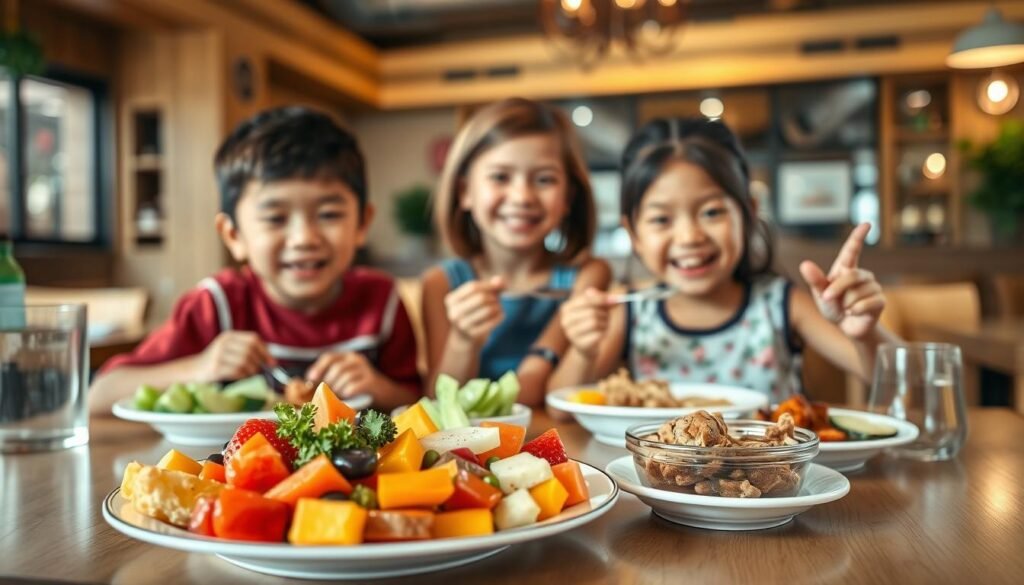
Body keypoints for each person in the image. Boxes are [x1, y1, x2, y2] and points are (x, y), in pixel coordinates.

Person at [89, 106, 420, 414]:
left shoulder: (382, 301)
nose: (304, 238)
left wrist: (377, 388)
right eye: (275, 218)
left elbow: (417, 399)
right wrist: (201, 367)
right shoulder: (216, 304)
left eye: (328, 214)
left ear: (362, 223)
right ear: (234, 235)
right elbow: (100, 394)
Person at [551, 117, 898, 401]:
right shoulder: (628, 311)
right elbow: (564, 407)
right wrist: (583, 349)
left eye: (712, 212)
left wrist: (866, 334)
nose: (690, 238)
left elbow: (899, 380)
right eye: (661, 219)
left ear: (749, 211)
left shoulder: (780, 303)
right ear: (633, 234)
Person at [421, 98, 610, 405]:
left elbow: (532, 389)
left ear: (568, 198)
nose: (522, 197)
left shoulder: (587, 276)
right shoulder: (439, 284)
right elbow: (437, 402)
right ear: (464, 192)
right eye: (500, 177)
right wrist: (463, 342)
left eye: (544, 179)